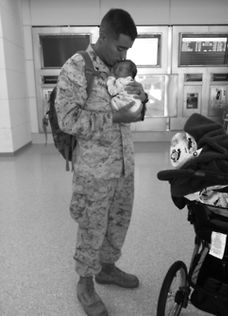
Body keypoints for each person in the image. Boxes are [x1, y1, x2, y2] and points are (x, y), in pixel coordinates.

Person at [55, 8, 148, 316]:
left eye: (128, 49)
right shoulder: (77, 67)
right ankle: (85, 283)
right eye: (120, 47)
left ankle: (107, 268)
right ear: (103, 35)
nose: (124, 54)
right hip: (94, 172)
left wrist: (140, 100)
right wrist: (114, 117)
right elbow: (67, 119)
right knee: (92, 226)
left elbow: (131, 112)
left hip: (124, 167)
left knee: (117, 223)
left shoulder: (118, 67)